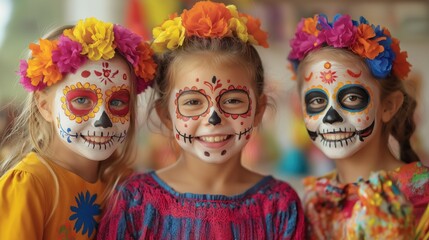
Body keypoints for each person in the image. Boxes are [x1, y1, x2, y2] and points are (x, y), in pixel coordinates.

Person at [97, 1, 305, 239]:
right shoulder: (135, 202)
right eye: (193, 102)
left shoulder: (280, 206)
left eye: (233, 101)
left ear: (259, 110)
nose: (213, 118)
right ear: (166, 115)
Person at [0, 17, 157, 239]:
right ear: (44, 106)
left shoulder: (121, 185)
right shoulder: (30, 185)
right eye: (82, 100)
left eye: (117, 102)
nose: (104, 120)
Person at [287, 13, 429, 239]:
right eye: (317, 101)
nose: (331, 116)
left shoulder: (423, 195)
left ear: (388, 106)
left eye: (352, 98)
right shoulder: (313, 200)